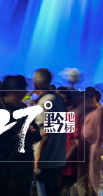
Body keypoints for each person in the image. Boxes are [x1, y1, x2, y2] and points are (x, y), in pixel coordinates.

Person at [33, 68, 68, 196]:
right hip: (57, 157)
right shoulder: (57, 99)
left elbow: (45, 134)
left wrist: (37, 161)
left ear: (36, 83)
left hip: (46, 160)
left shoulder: (44, 102)